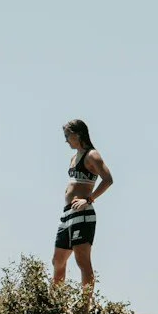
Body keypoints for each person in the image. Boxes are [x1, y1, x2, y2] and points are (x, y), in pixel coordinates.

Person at [52, 119, 114, 290]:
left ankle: (84, 310)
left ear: (77, 134)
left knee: (82, 260)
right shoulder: (74, 157)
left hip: (83, 213)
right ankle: (56, 306)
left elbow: (108, 180)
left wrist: (89, 199)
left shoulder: (92, 155)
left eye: (67, 136)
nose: (66, 140)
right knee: (57, 260)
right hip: (67, 214)